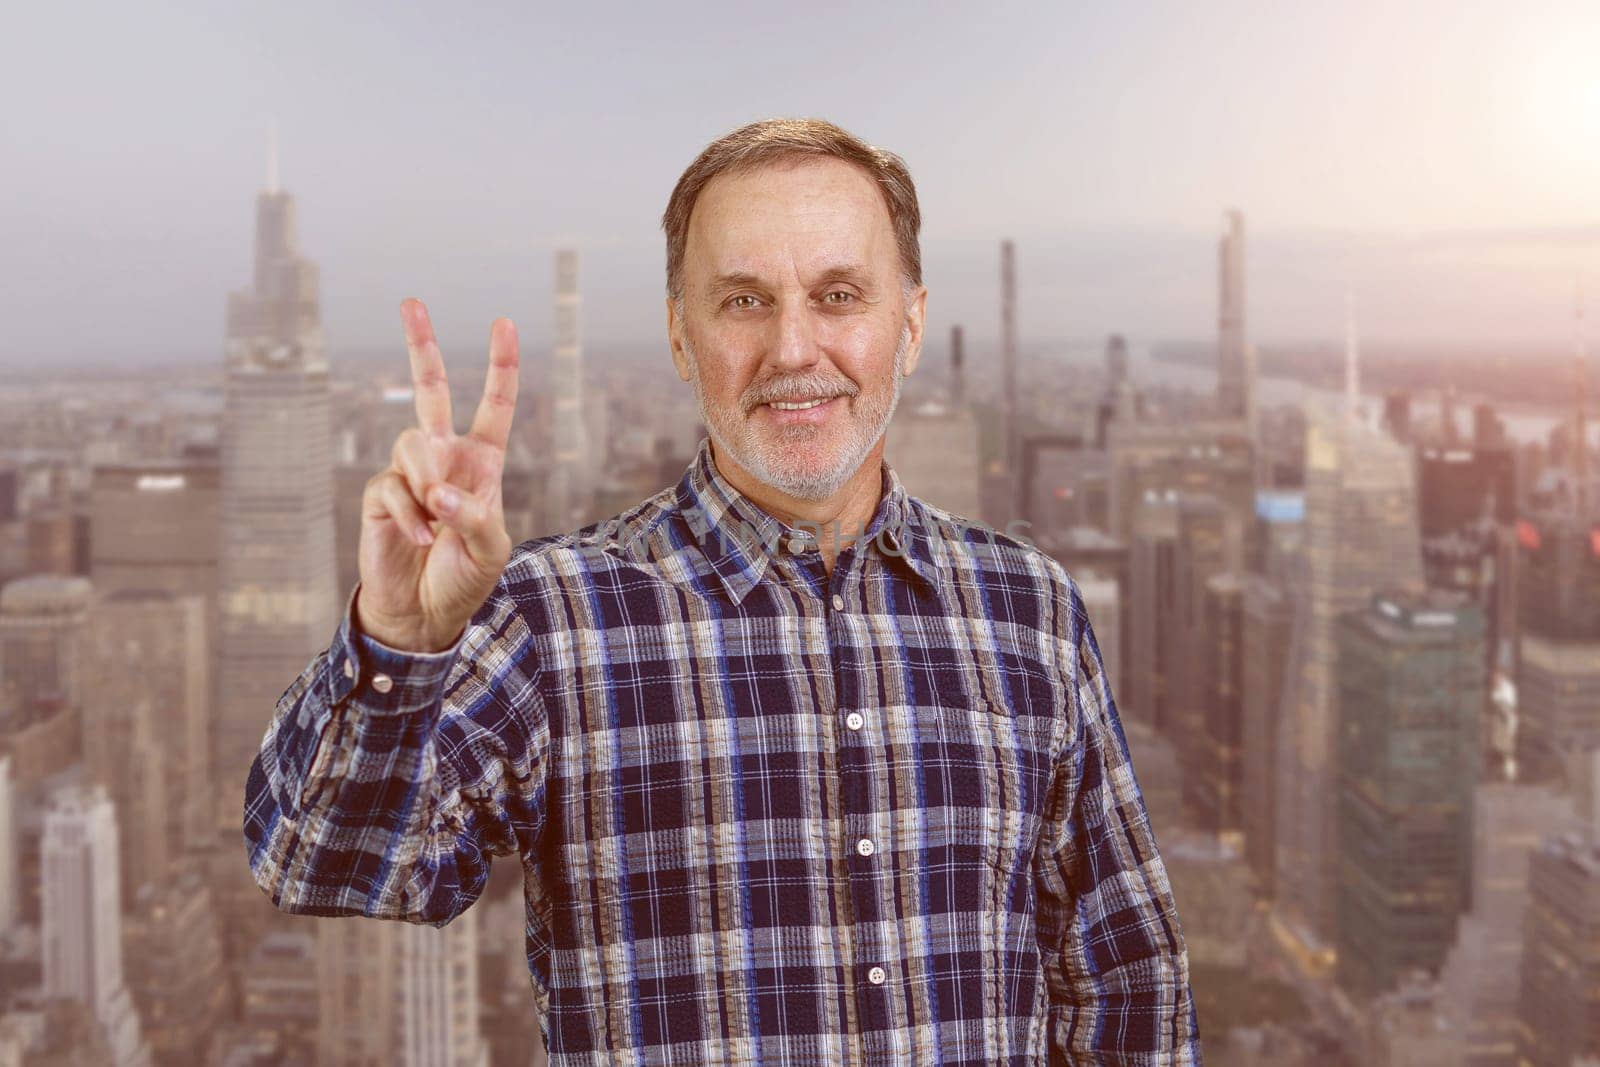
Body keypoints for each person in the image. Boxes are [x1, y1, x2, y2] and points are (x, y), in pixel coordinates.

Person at [244, 117, 1202, 1066]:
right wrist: (399, 641)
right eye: (743, 301)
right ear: (679, 334)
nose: (794, 348)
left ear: (908, 326)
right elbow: (326, 860)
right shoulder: (556, 617)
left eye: (838, 294)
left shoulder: (1028, 613)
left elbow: (1128, 982)